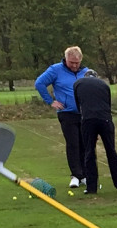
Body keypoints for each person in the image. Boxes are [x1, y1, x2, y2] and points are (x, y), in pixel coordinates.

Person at [35, 46, 89, 188]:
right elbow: (39, 83)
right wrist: (50, 101)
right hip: (67, 113)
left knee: (85, 144)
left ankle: (85, 175)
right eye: (72, 63)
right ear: (66, 59)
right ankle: (76, 175)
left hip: (84, 114)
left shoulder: (86, 72)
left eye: (77, 63)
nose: (75, 66)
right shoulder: (55, 70)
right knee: (73, 144)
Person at [72, 70, 117, 195]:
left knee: (89, 152)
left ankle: (91, 188)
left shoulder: (77, 83)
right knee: (111, 151)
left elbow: (78, 105)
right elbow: (107, 104)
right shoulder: (104, 85)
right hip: (105, 120)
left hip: (88, 120)